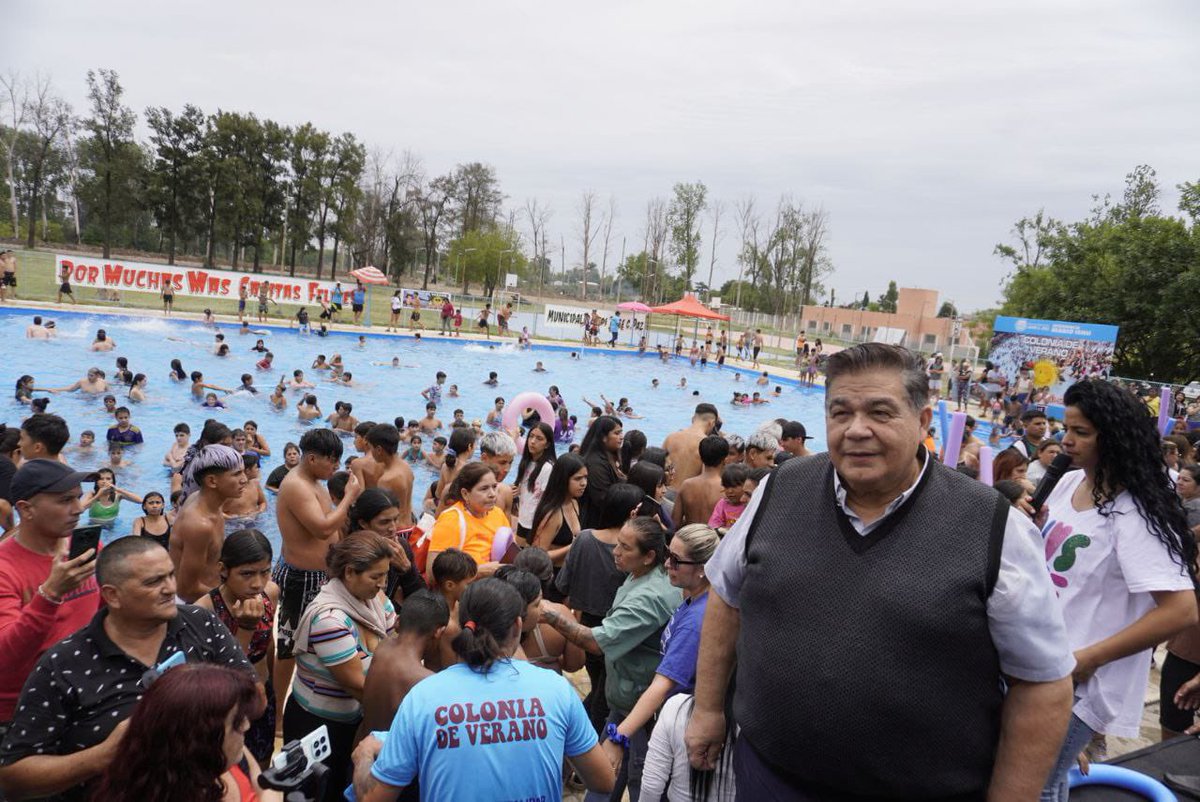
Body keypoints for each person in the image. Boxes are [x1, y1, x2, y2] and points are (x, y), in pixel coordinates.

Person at [689, 342, 1075, 800]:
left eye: (880, 412)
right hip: (770, 777)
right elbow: (727, 597)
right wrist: (709, 709)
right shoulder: (779, 490)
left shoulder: (993, 527)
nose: (857, 430)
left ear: (923, 423)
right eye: (841, 413)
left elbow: (1042, 682)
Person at [0, 536, 260, 802]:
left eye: (170, 575)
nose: (170, 588)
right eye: (153, 582)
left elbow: (255, 701)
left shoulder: (201, 624)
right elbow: (13, 776)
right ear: (112, 595)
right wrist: (102, 756)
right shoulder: (64, 664)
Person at [1039, 379, 1198, 799]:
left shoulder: (1136, 511)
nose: (1066, 441)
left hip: (1082, 681)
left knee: (1034, 785)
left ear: (1114, 437)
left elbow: (1181, 610)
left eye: (1081, 433)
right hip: (1039, 665)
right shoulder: (1067, 484)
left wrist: (1087, 659)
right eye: (1065, 429)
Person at [349, 579, 614, 802]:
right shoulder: (557, 689)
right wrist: (618, 740)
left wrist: (363, 757)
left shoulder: (424, 697)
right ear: (517, 627)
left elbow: (373, 798)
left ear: (463, 624)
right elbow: (604, 781)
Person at [541, 517, 680, 801]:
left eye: (625, 548)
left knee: (641, 779)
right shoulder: (642, 574)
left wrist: (551, 615)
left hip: (642, 707)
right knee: (607, 773)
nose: (615, 552)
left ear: (649, 556)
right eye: (617, 544)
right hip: (625, 695)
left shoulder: (649, 597)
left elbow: (596, 643)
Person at [598, 524, 719, 777]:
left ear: (702, 569)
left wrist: (619, 736)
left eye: (676, 561)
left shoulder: (696, 623)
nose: (666, 566)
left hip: (669, 722)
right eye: (668, 555)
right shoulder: (691, 597)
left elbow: (663, 684)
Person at [287, 531, 396, 802]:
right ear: (349, 573)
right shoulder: (329, 620)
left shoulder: (374, 600)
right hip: (318, 726)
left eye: (385, 575)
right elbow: (356, 685)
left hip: (352, 721)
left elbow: (398, 641)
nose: (382, 584)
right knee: (314, 793)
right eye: (375, 576)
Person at [92, 662, 282, 802]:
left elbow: (261, 782)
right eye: (237, 721)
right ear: (198, 737)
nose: (247, 726)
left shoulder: (225, 754)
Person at [0, 460, 101, 724]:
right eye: (65, 500)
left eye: (78, 498)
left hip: (82, 691)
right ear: (26, 509)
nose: (78, 509)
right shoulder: (4, 570)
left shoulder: (88, 549)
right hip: (22, 707)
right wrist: (50, 594)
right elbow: (5, 658)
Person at [273, 429, 363, 719]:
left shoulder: (314, 481)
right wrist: (349, 497)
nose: (335, 467)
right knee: (288, 649)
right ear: (312, 458)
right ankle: (277, 713)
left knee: (312, 645)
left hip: (319, 576)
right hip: (300, 577)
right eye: (331, 461)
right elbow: (322, 528)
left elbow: (330, 531)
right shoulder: (297, 485)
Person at [193, 529, 280, 764]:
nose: (257, 583)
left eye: (265, 572)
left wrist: (275, 697)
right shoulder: (204, 610)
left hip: (261, 692)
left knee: (263, 759)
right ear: (223, 569)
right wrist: (245, 628)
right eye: (247, 574)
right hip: (226, 703)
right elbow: (214, 672)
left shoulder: (269, 593)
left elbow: (269, 645)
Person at [357, 589, 449, 744]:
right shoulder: (427, 681)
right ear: (439, 632)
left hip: (361, 745)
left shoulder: (383, 648)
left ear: (397, 622)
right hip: (390, 758)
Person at [172, 444, 247, 602]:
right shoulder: (199, 525)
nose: (245, 480)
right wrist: (236, 598)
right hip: (196, 605)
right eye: (237, 474)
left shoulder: (202, 500)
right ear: (212, 481)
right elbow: (186, 590)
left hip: (211, 592)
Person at [426, 463, 510, 583]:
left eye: (494, 486)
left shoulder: (497, 514)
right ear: (465, 494)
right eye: (484, 488)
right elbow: (432, 575)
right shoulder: (451, 520)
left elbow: (511, 549)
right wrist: (478, 571)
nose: (493, 494)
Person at [349, 487, 425, 607]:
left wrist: (407, 570)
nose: (393, 528)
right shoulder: (352, 554)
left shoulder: (401, 548)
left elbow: (421, 601)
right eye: (384, 522)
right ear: (363, 523)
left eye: (395, 519)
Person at [530, 452, 587, 598]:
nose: (584, 483)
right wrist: (572, 547)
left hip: (566, 575)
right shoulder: (553, 514)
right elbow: (539, 556)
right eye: (578, 479)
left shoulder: (574, 503)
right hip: (551, 580)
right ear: (563, 480)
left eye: (585, 477)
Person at [579, 415, 625, 529]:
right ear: (604, 437)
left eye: (621, 433)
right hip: (595, 525)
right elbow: (602, 499)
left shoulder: (611, 457)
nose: (621, 437)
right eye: (616, 433)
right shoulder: (595, 464)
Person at [515, 421, 556, 543]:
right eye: (531, 436)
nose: (533, 441)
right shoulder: (526, 463)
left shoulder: (547, 468)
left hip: (535, 524)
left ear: (547, 444)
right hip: (523, 518)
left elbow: (547, 500)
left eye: (539, 438)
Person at [663, 404, 721, 490]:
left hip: (665, 493)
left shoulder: (670, 438)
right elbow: (707, 480)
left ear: (693, 418)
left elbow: (658, 467)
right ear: (712, 423)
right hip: (687, 496)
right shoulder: (708, 446)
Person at [675, 435, 729, 528]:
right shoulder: (726, 489)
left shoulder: (686, 485)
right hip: (714, 539)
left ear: (701, 457)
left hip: (689, 538)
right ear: (724, 460)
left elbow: (675, 522)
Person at [707, 464, 749, 531]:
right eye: (726, 487)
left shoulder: (750, 504)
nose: (730, 491)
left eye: (734, 486)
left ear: (746, 485)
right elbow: (713, 526)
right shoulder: (723, 504)